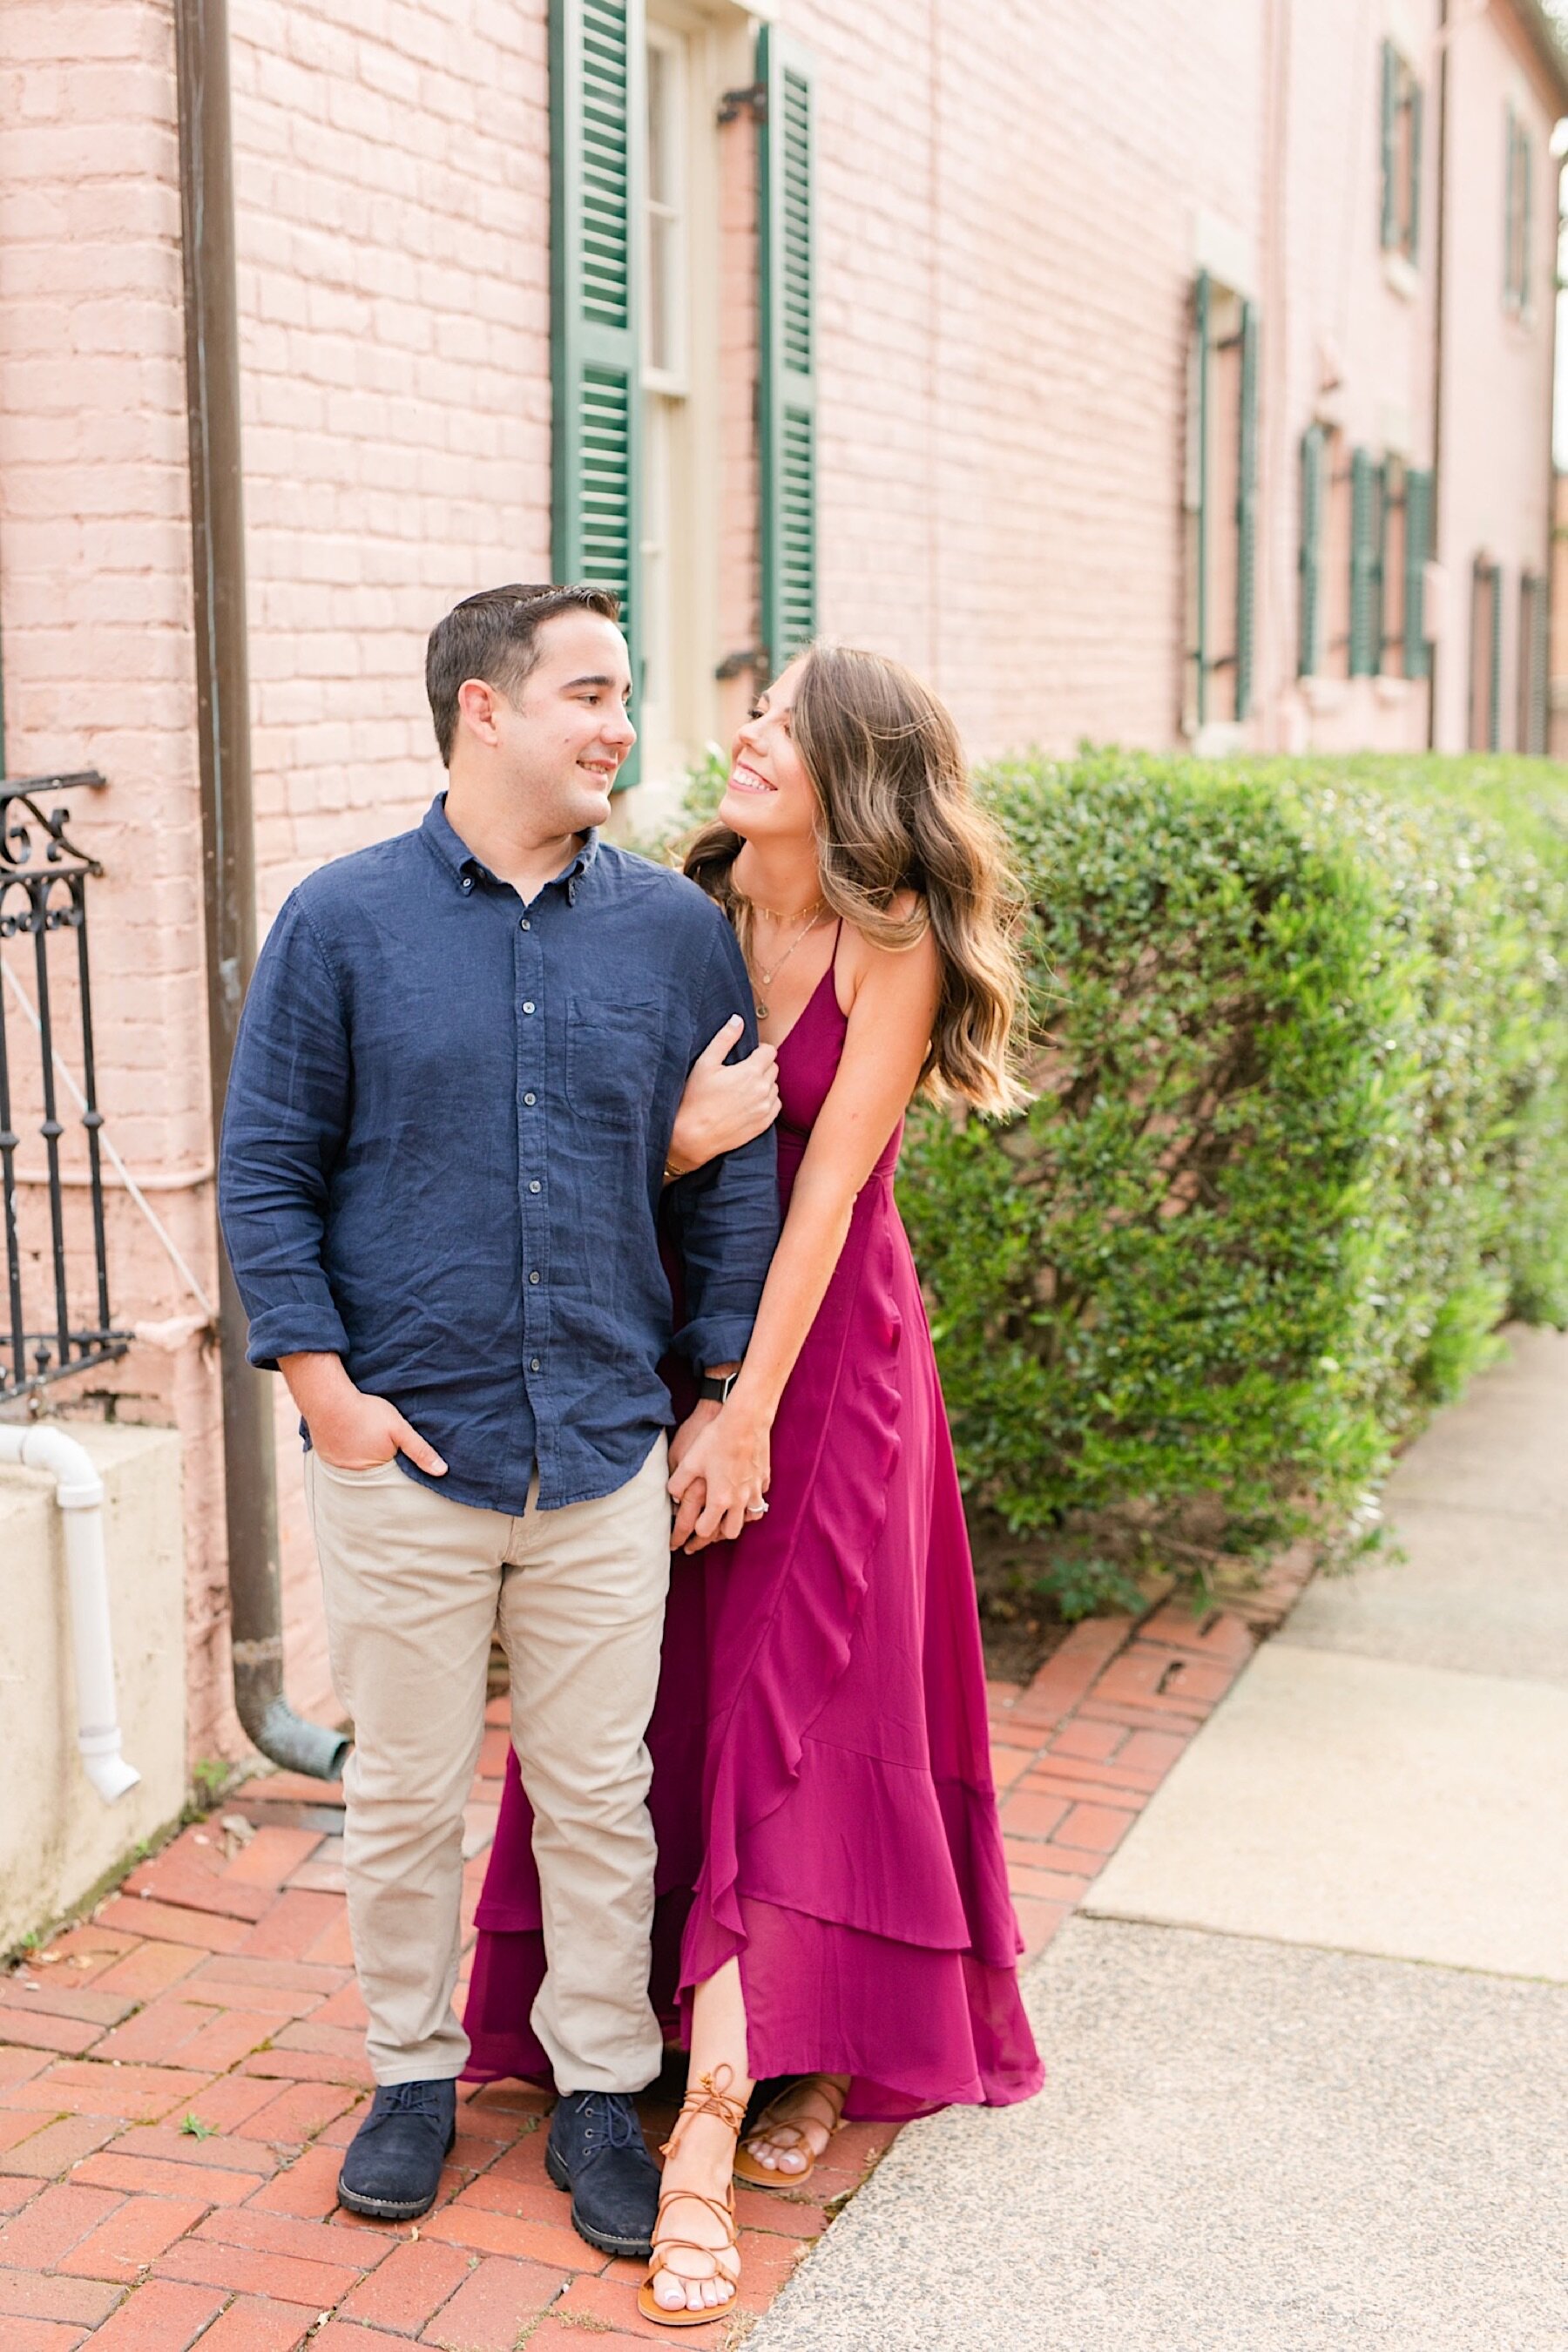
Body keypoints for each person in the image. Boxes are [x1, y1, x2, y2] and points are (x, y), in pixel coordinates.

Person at [465, 642, 1044, 2327]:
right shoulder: (679, 914)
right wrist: (679, 1164)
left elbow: (832, 1195)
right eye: (756, 709)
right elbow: (601, 1135)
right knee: (668, 1692)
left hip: (822, 1363)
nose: (745, 732)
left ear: (855, 769)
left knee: (805, 1705)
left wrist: (744, 1413)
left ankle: (746, 2095)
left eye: (785, 723)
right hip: (661, 1338)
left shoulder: (892, 940)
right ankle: (694, 2026)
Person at [216, 584, 780, 2253]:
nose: (622, 723)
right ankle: (410, 2074)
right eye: (590, 692)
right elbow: (267, 1174)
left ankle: (601, 2090)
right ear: (482, 707)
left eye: (627, 692)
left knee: (601, 1791)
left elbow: (727, 1186)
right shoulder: (342, 924)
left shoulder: (676, 935)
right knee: (401, 1791)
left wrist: (720, 1390)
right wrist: (327, 1399)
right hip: (406, 1446)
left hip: (606, 1439)